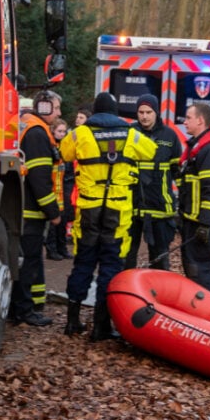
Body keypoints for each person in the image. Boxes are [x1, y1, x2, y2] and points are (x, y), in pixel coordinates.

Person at [60, 92, 156, 340]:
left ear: (95, 111)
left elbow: (65, 153)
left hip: (89, 210)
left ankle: (72, 321)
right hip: (117, 212)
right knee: (110, 267)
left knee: (83, 262)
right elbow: (151, 151)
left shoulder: (80, 132)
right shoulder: (131, 134)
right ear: (114, 112)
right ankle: (101, 326)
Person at [9, 90, 62, 326]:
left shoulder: (26, 125)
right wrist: (54, 212)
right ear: (45, 107)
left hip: (18, 208)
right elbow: (40, 179)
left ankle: (19, 307)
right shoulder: (38, 134)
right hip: (30, 211)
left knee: (20, 260)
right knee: (27, 261)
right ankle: (24, 310)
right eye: (57, 108)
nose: (59, 113)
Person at [124, 94, 182, 271]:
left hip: (159, 207)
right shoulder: (129, 133)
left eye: (148, 112)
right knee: (126, 256)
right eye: (140, 112)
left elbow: (177, 172)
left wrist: (183, 199)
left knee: (160, 258)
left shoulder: (170, 136)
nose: (144, 116)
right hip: (131, 206)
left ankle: (158, 294)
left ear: (156, 112)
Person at [176, 102, 210, 295]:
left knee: (201, 276)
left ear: (200, 120)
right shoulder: (196, 148)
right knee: (193, 273)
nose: (185, 121)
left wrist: (205, 225)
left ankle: (209, 319)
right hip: (192, 222)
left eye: (188, 118)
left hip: (202, 225)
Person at [45, 118, 73, 260]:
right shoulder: (50, 147)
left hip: (63, 188)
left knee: (63, 221)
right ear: (53, 131)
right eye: (59, 131)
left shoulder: (64, 148)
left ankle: (62, 248)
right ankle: (52, 250)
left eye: (64, 131)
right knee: (53, 223)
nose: (62, 134)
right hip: (53, 189)